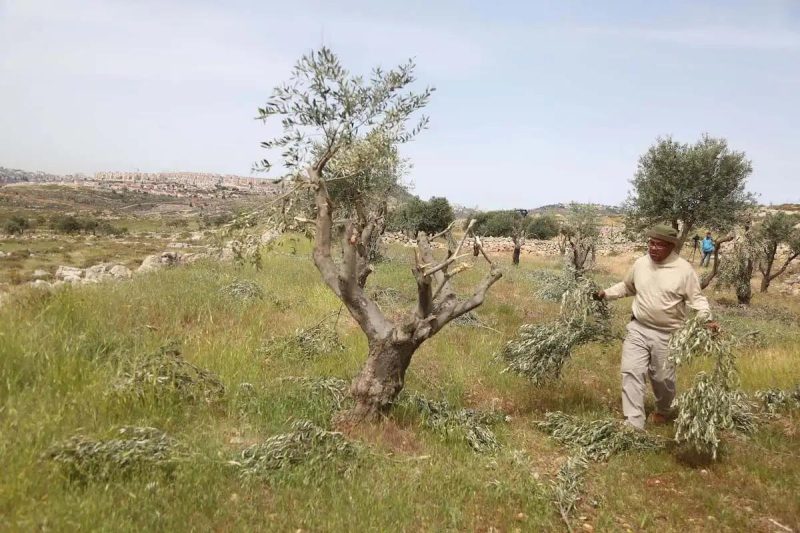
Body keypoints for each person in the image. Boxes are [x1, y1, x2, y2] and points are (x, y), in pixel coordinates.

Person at [593, 224, 719, 429]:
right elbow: (627, 286)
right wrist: (606, 294)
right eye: (651, 243)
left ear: (671, 246)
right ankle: (634, 422)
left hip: (668, 334)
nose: (653, 248)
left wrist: (706, 320)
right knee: (631, 371)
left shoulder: (684, 271)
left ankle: (664, 408)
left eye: (659, 245)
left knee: (662, 379)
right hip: (638, 328)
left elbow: (697, 300)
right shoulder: (641, 264)